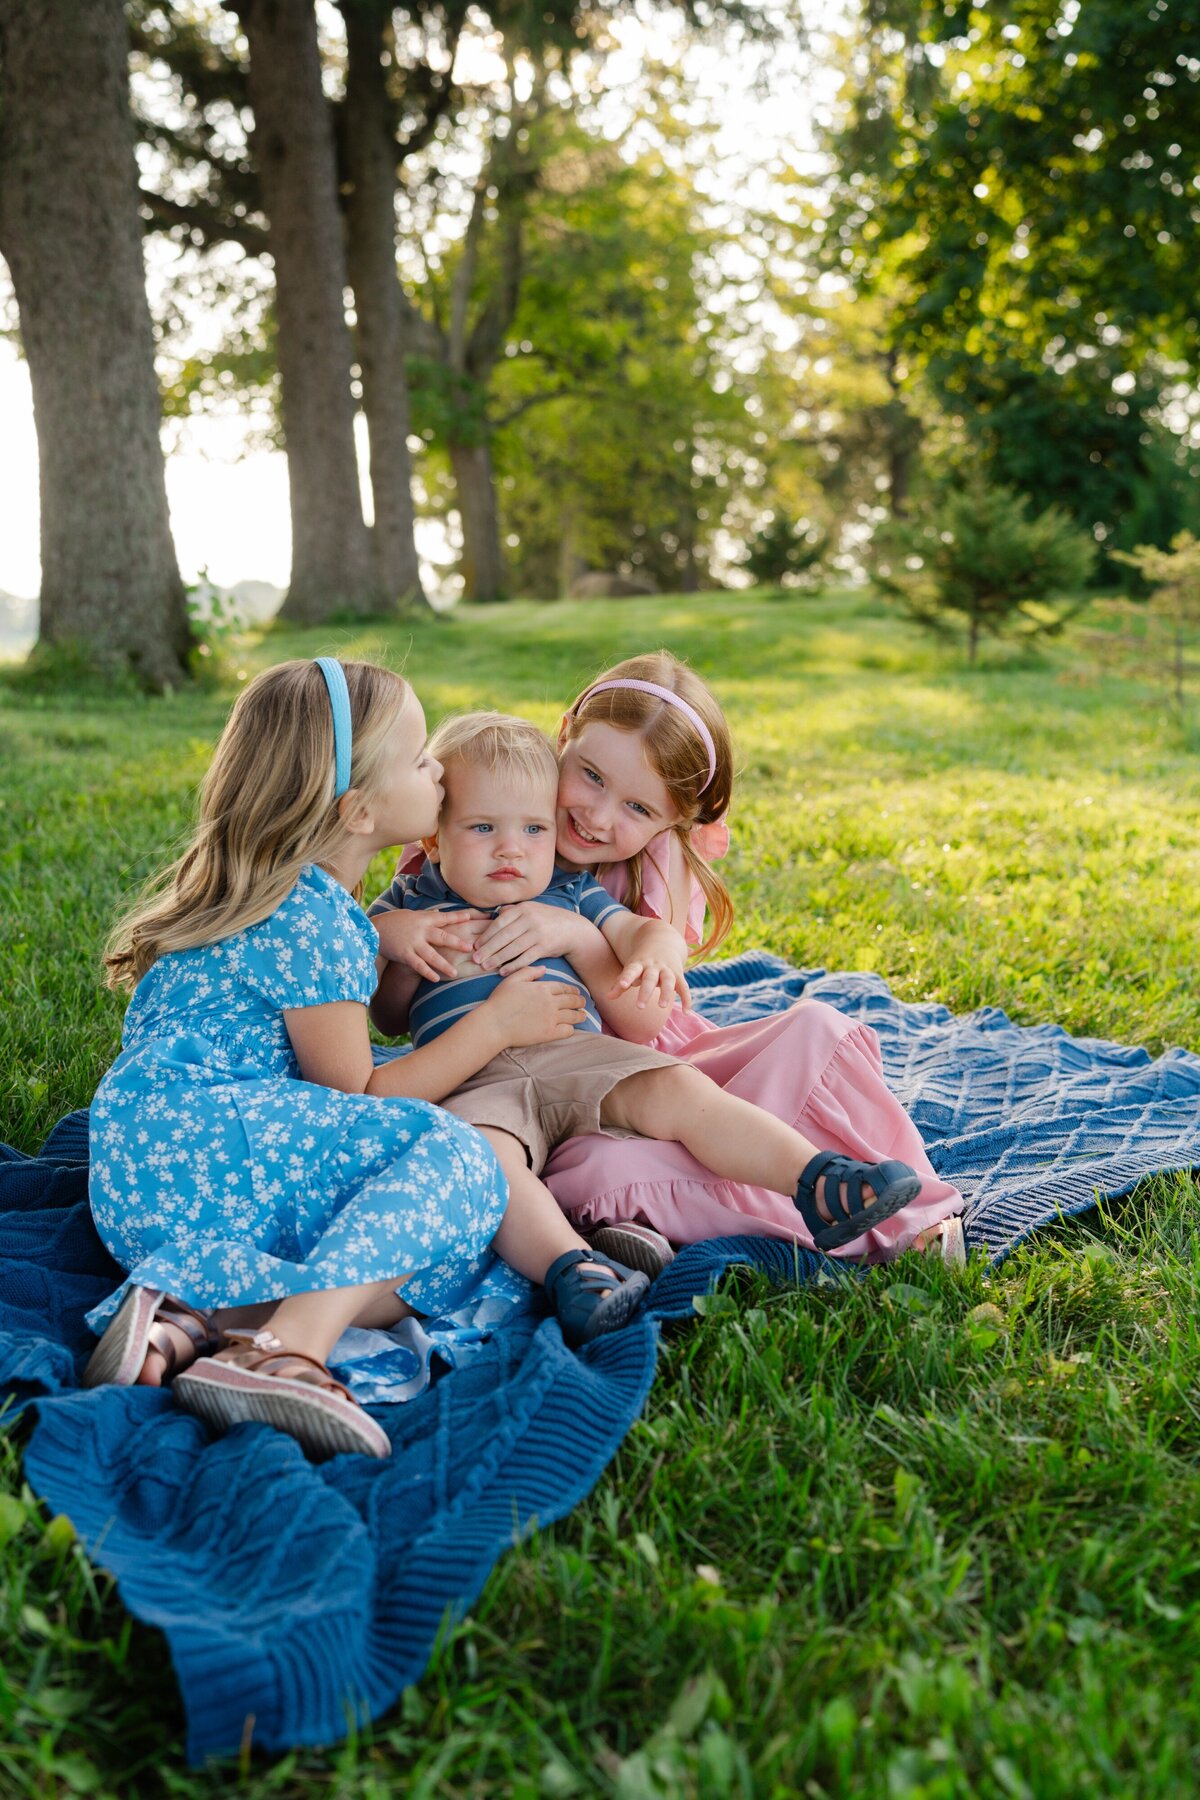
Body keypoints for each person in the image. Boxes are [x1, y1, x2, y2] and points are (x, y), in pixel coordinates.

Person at [82, 657, 654, 1464]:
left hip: (153, 1177)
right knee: (457, 1161)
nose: (439, 776)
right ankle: (287, 1350)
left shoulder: (285, 896)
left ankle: (195, 1317)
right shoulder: (314, 920)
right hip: (210, 1147)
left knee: (444, 1235)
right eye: (422, 761)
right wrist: (494, 1026)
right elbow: (364, 1091)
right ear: (358, 812)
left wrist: (380, 938)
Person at [368, 712, 926, 1274]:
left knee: (679, 1091)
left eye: (534, 829)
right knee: (487, 1161)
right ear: (435, 838)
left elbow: (635, 931)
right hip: (469, 1082)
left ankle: (817, 1181)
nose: (512, 849)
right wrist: (401, 947)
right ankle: (573, 1270)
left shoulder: (565, 889)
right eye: (484, 828)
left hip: (578, 1057)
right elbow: (389, 1020)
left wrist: (659, 946)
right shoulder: (409, 900)